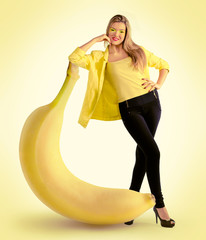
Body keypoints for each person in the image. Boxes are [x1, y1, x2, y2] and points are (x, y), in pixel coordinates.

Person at [68, 14, 175, 228]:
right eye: (113, 30)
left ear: (127, 34)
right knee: (152, 152)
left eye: (121, 31)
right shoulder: (100, 57)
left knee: (143, 154)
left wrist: (158, 84)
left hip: (152, 104)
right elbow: (74, 58)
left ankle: (130, 206)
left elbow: (164, 65)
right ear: (108, 30)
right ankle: (160, 205)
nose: (117, 34)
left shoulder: (138, 51)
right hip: (129, 109)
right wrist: (96, 40)